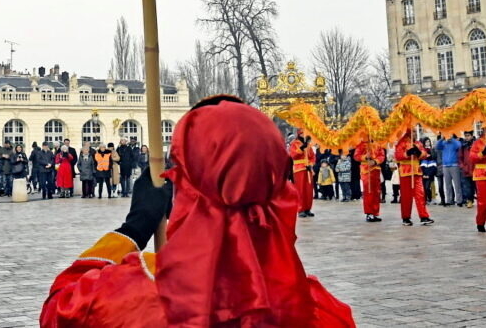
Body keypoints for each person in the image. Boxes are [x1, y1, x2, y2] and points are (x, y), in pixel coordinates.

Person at [41, 95, 354, 327]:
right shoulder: (317, 308)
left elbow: (59, 310)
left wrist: (133, 230)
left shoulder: (133, 293)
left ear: (187, 188)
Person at [393, 131, 433, 226]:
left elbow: (425, 154)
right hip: (405, 172)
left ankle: (424, 216)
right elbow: (397, 156)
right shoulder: (401, 143)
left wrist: (419, 153)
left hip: (417, 172)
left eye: (415, 132)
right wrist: (407, 153)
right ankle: (406, 217)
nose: (415, 134)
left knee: (420, 194)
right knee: (406, 196)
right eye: (413, 132)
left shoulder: (418, 143)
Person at [355, 136, 384, 222]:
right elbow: (356, 156)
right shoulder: (361, 144)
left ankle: (375, 212)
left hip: (376, 170)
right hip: (366, 170)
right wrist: (365, 157)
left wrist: (375, 161)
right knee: (368, 192)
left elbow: (382, 156)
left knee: (376, 192)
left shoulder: (378, 144)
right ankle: (369, 213)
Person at [288, 129, 315, 217]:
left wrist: (310, 165)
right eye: (303, 133)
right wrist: (301, 148)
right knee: (300, 189)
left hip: (308, 169)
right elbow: (293, 156)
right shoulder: (294, 144)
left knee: (308, 190)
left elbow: (312, 157)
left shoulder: (309, 145)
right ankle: (301, 209)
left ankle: (307, 208)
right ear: (300, 134)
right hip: (299, 169)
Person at [436, 133, 463, 206]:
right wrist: (442, 138)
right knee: (447, 184)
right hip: (445, 166)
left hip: (454, 165)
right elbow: (437, 146)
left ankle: (459, 200)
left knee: (457, 184)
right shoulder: (444, 143)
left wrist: (452, 138)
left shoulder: (454, 143)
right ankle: (449, 200)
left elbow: (459, 145)